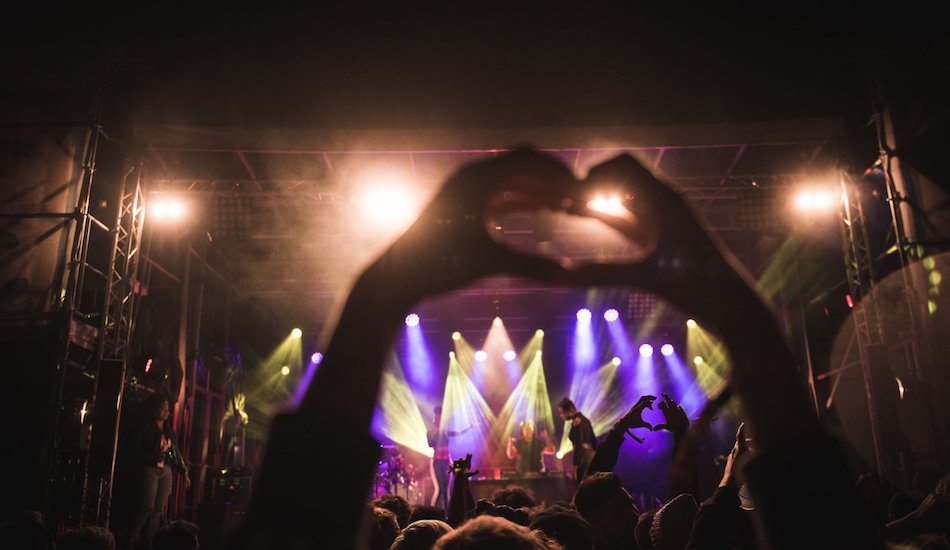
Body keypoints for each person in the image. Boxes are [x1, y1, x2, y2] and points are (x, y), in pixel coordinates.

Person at [228, 150, 885, 549]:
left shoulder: (575, 426)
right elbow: (826, 540)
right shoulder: (578, 426)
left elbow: (291, 537)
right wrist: (743, 320)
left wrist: (376, 298)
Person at [128, 393, 190, 548]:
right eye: (163, 409)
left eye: (167, 409)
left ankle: (152, 543)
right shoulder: (146, 427)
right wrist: (153, 457)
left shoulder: (169, 431)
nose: (166, 412)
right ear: (155, 409)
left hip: (166, 471)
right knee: (146, 508)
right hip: (150, 469)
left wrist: (184, 472)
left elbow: (176, 452)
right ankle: (131, 540)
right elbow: (134, 450)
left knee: (158, 511)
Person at [427, 406, 473, 513]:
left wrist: (469, 427)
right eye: (436, 419)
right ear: (434, 420)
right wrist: (436, 431)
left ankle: (447, 512)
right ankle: (434, 511)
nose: (438, 421)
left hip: (446, 460)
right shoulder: (430, 433)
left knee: (446, 489)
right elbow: (430, 444)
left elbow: (458, 433)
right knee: (440, 488)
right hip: (437, 461)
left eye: (440, 419)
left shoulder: (445, 432)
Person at [558, 398, 598, 485]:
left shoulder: (577, 422)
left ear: (569, 410)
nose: (561, 415)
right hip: (591, 456)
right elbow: (594, 440)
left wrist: (574, 467)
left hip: (583, 457)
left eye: (562, 412)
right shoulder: (585, 420)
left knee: (582, 485)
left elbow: (578, 445)